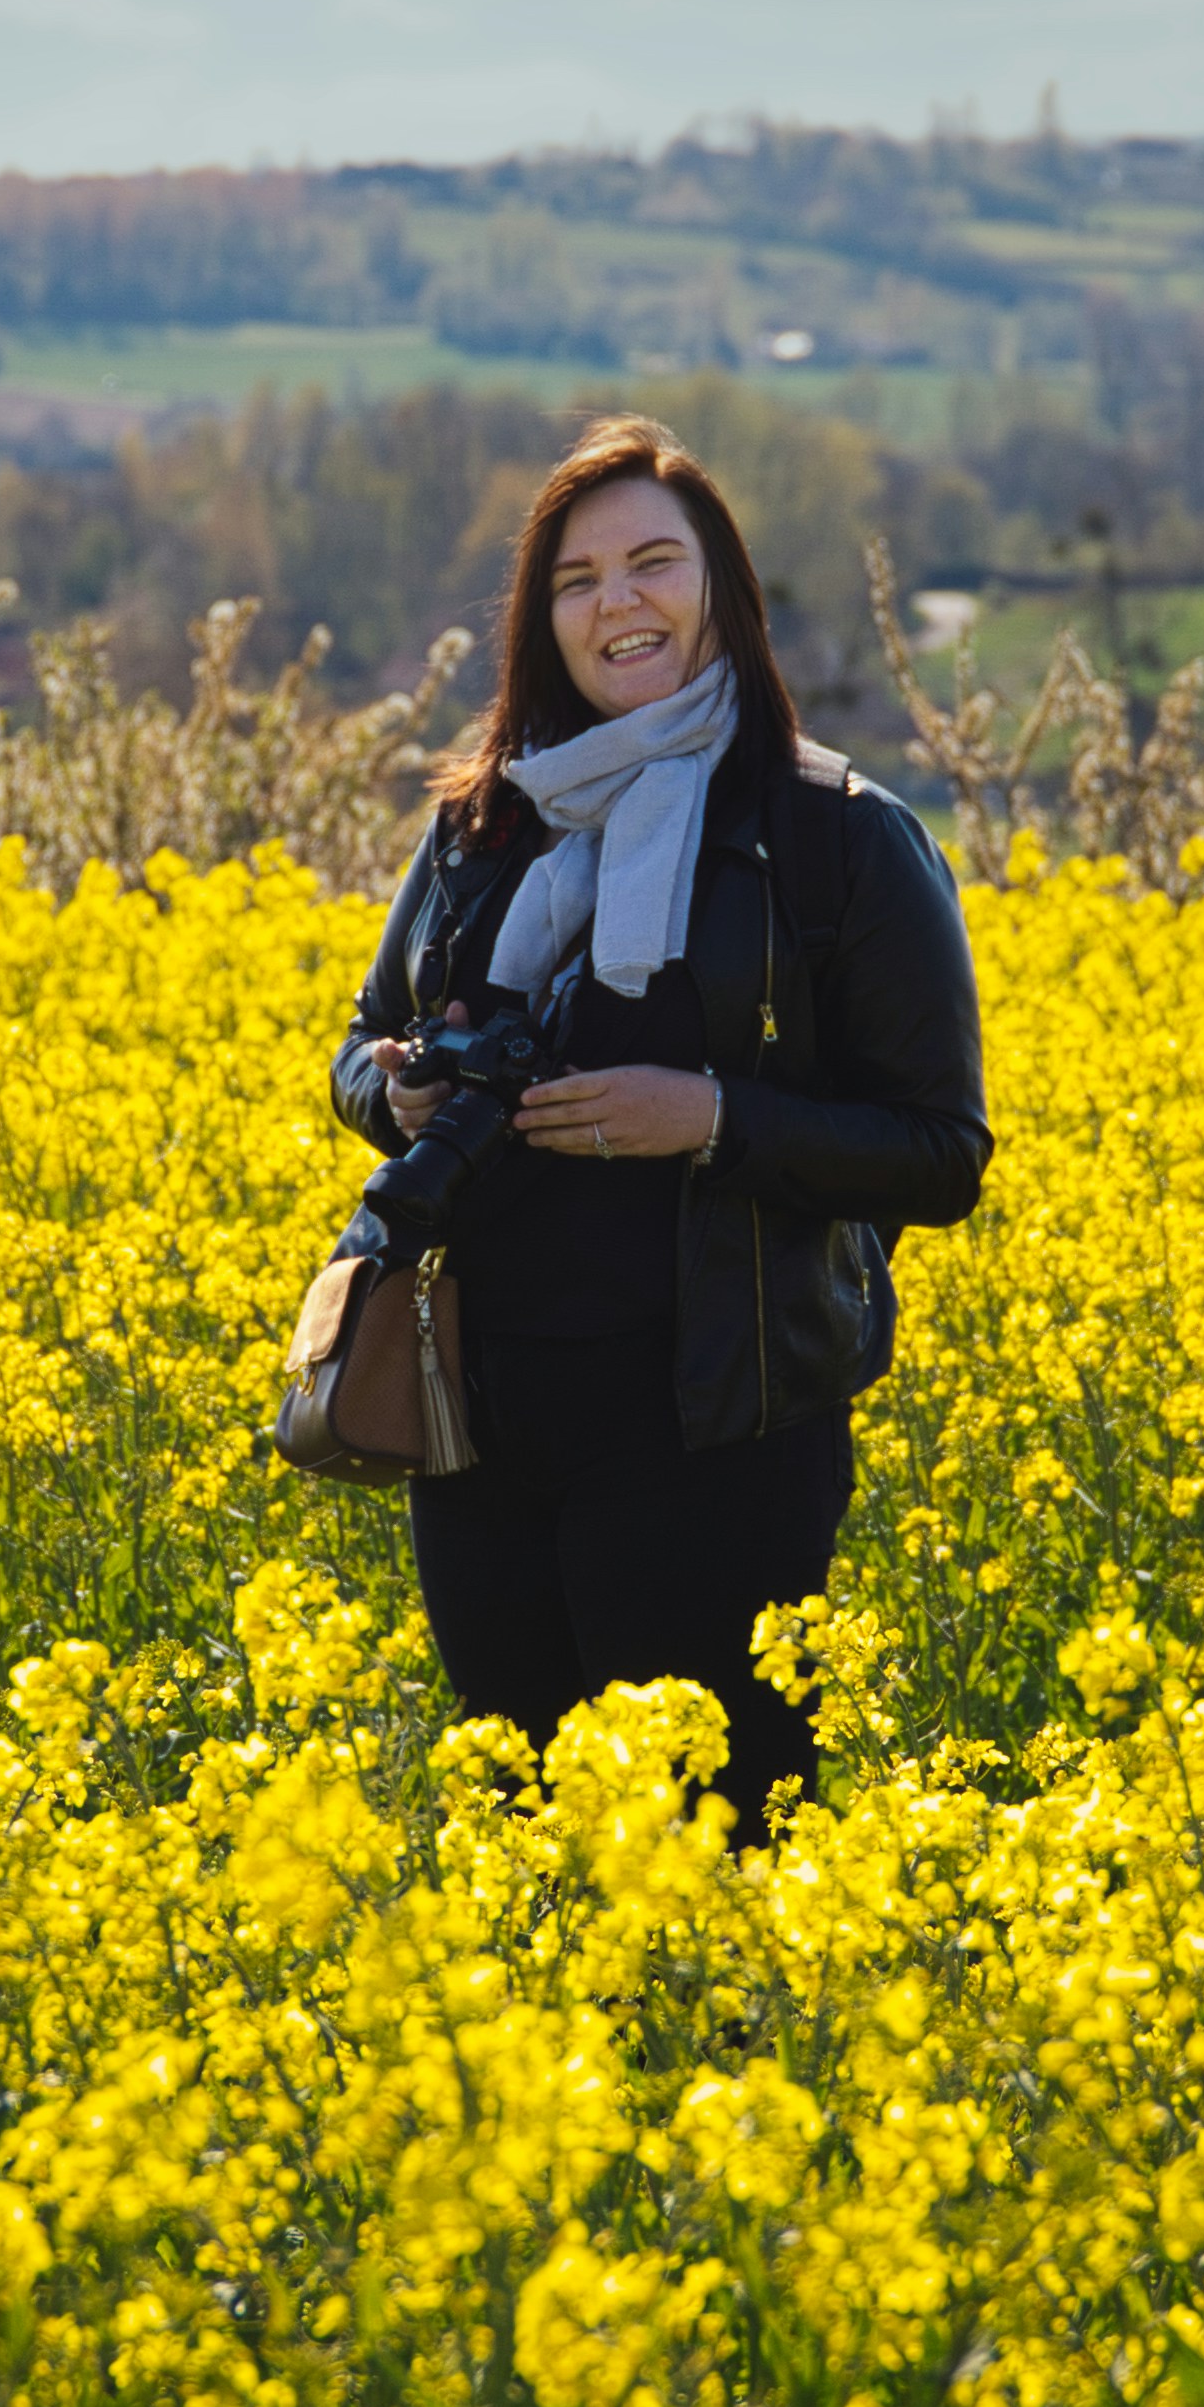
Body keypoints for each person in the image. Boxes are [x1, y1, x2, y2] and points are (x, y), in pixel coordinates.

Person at [330, 415, 990, 1837]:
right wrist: (400, 1090)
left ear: (719, 590)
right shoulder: (481, 830)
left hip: (719, 1441)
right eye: (576, 578)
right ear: (539, 616)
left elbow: (942, 1153)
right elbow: (357, 1046)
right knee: (534, 1851)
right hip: (486, 1437)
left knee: (724, 1854)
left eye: (651, 564)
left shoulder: (835, 839)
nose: (615, 602)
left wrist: (707, 1116)